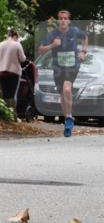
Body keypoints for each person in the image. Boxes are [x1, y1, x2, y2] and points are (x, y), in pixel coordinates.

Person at [37, 9, 89, 137]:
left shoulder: (75, 31)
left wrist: (83, 52)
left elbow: (85, 37)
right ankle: (67, 119)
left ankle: (69, 117)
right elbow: (40, 50)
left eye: (65, 18)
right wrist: (52, 45)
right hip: (58, 68)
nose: (63, 21)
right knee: (62, 94)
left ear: (69, 21)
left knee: (67, 89)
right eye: (61, 18)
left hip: (72, 66)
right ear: (58, 21)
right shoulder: (53, 34)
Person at [0, 28, 26, 109]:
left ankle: (4, 113)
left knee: (4, 95)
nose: (18, 39)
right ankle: (13, 115)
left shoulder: (0, 44)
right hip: (14, 73)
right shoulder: (17, 44)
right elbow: (23, 59)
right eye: (17, 37)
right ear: (15, 36)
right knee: (13, 95)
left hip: (2, 72)